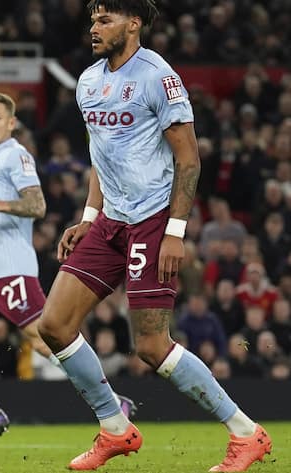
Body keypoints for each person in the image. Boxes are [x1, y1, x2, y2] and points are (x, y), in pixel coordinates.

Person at [37, 1, 271, 471]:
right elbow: (101, 157)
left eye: (105, 20)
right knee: (54, 325)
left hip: (153, 220)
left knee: (150, 346)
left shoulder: (158, 78)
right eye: (93, 20)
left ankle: (247, 434)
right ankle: (115, 429)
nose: (94, 28)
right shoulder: (87, 81)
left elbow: (189, 159)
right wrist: (88, 216)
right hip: (110, 222)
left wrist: (175, 232)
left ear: (134, 23)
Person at [0, 91, 135, 451]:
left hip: (12, 271)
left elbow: (36, 205)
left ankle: (113, 400)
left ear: (11, 123)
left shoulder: (16, 155)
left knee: (45, 342)